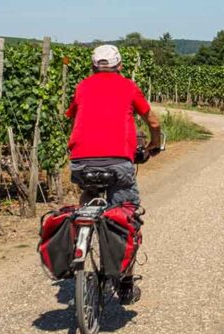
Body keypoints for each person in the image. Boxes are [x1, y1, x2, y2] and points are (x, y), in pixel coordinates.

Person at [65, 44, 161, 304]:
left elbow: (73, 116)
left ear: (93, 66)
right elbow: (153, 122)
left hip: (81, 162)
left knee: (88, 193)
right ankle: (126, 283)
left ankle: (81, 233)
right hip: (118, 163)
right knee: (126, 215)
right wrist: (153, 144)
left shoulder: (82, 86)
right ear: (120, 65)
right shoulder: (128, 86)